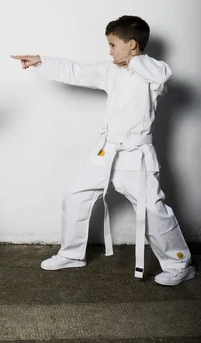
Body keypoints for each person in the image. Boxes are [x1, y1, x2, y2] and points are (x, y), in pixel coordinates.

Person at [11, 15, 196, 286]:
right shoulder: (111, 71)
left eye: (113, 45)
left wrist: (133, 61)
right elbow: (77, 70)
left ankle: (180, 264)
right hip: (105, 152)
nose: (109, 51)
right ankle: (72, 254)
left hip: (136, 157)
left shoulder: (154, 72)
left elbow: (161, 75)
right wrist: (42, 60)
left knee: (153, 211)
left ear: (132, 45)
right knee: (75, 196)